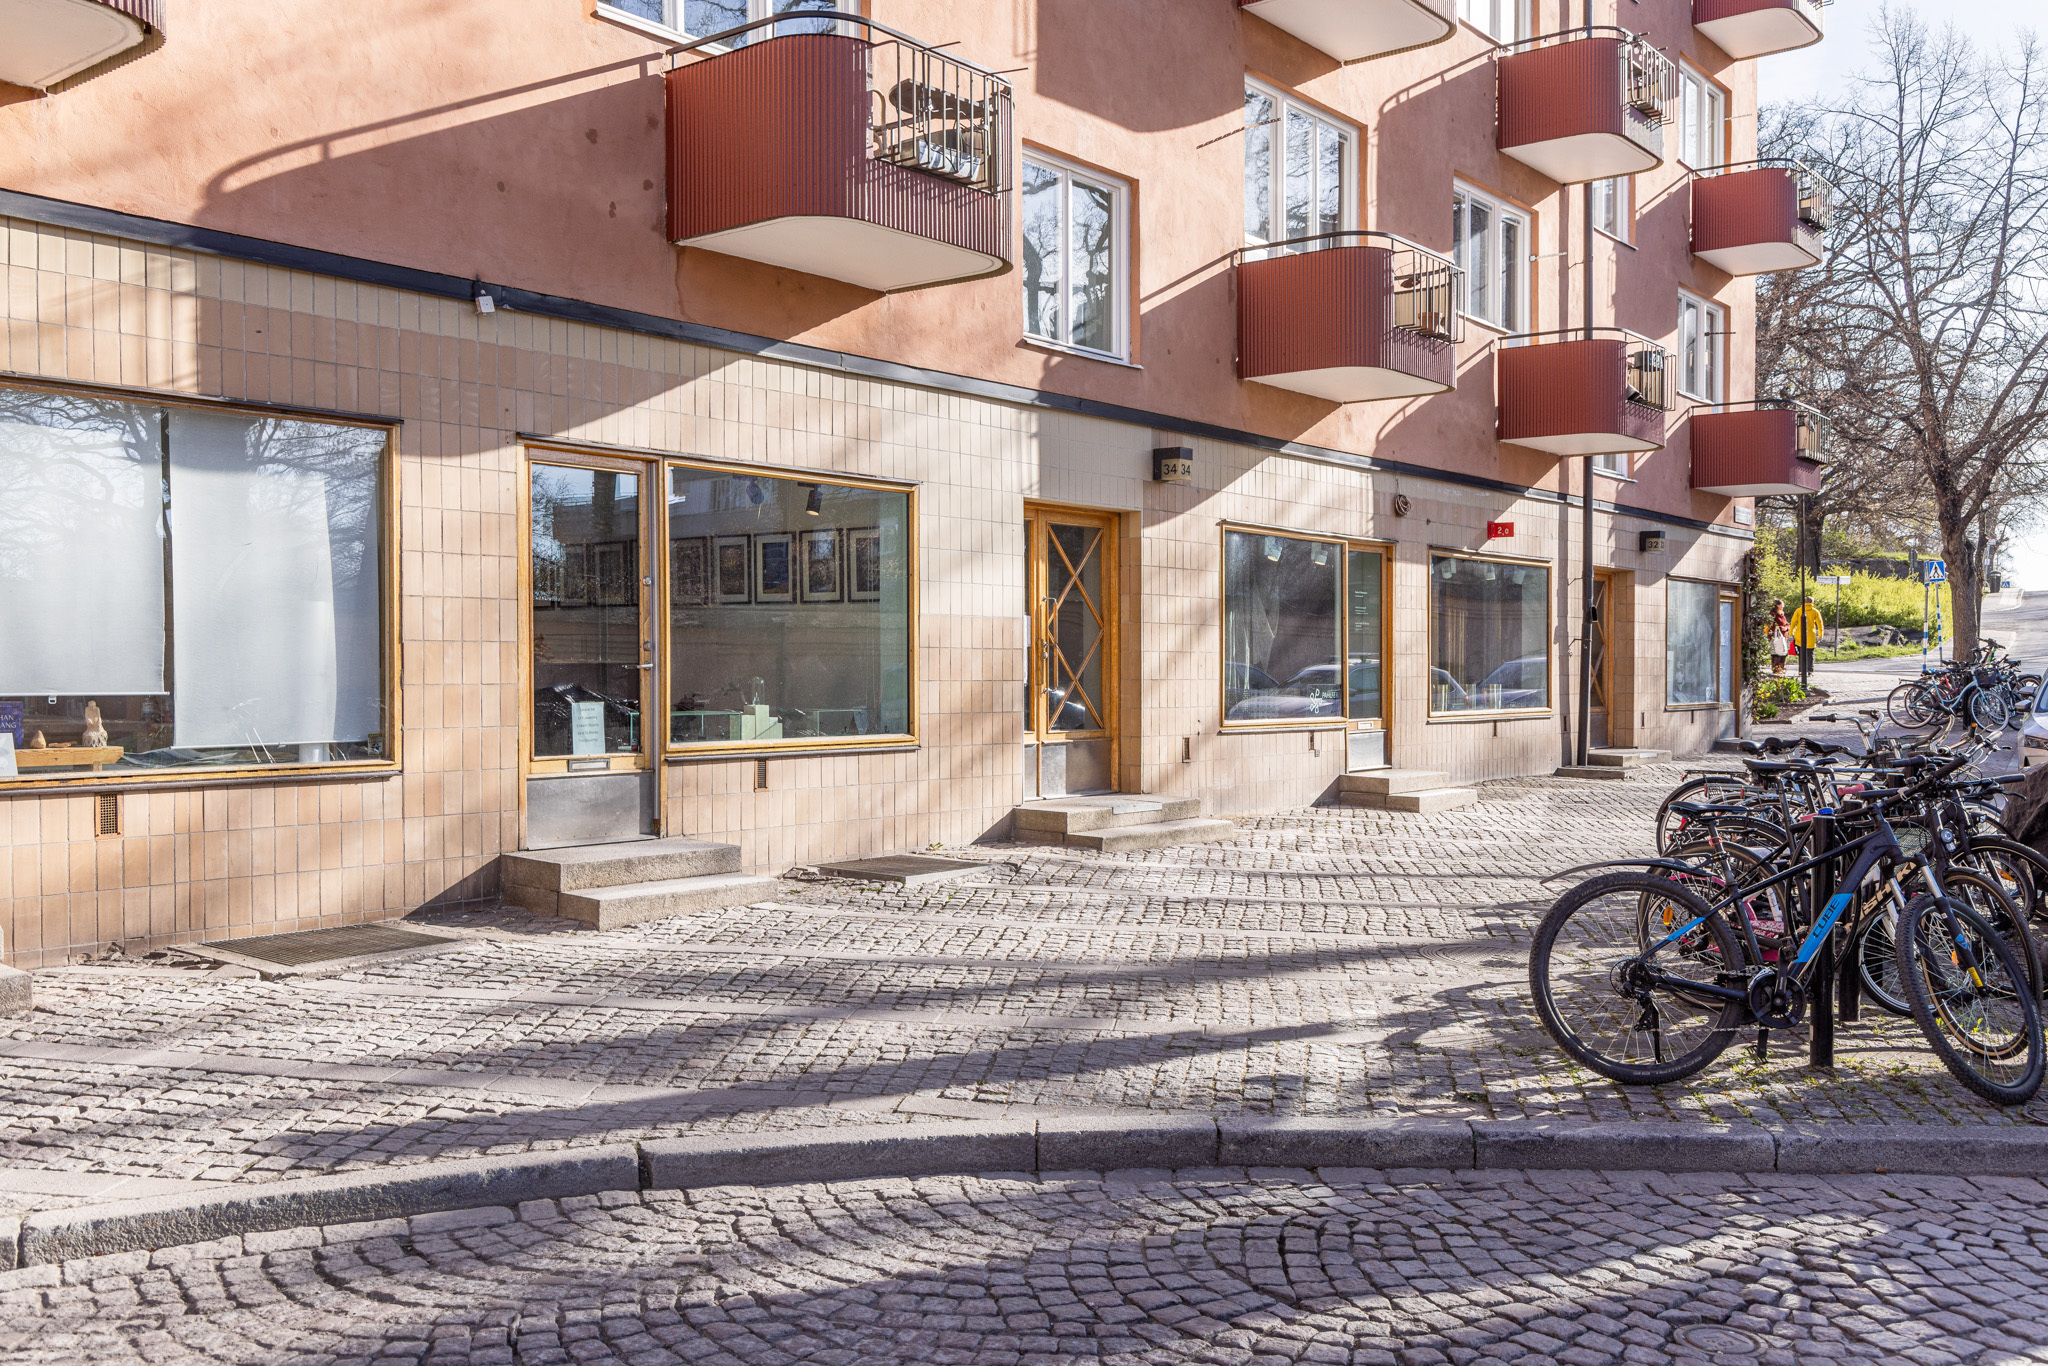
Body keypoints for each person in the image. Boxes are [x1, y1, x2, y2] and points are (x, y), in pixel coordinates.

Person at [1790, 596, 1825, 678]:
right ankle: (1810, 671)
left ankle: (1801, 671)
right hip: (1811, 635)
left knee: (1801, 654)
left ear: (1804, 602)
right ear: (1813, 603)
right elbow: (1820, 624)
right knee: (1810, 654)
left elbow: (1793, 622)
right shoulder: (1815, 611)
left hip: (1800, 635)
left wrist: (1791, 632)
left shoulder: (1799, 610)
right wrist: (1820, 634)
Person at [1767, 599, 1791, 674]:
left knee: (1783, 652)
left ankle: (1781, 668)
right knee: (1776, 653)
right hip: (1775, 637)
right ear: (1778, 605)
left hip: (1783, 636)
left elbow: (1787, 624)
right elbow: (1770, 625)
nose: (1783, 606)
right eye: (1782, 604)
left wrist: (1786, 628)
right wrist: (1780, 628)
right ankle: (1776, 669)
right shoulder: (1772, 615)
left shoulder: (1782, 614)